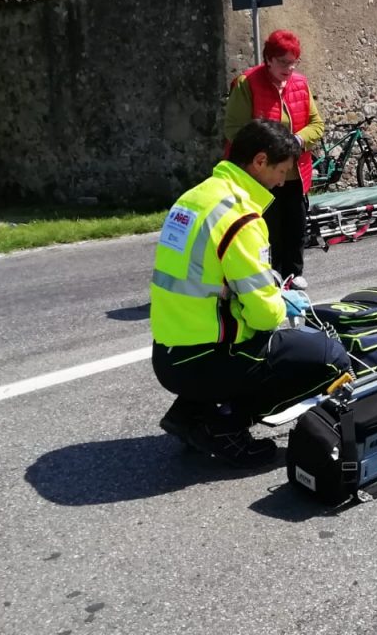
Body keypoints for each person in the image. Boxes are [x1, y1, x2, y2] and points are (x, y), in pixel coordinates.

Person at [149, 118, 350, 466]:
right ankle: (225, 427)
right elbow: (264, 315)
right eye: (282, 170)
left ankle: (190, 413)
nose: (282, 181)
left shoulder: (195, 197)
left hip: (170, 352)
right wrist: (281, 304)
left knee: (267, 343)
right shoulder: (240, 216)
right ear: (259, 161)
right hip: (205, 355)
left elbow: (208, 274)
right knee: (330, 359)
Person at [223, 30, 324, 290]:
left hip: (294, 173)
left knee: (295, 227)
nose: (289, 68)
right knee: (267, 230)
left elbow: (317, 124)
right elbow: (234, 129)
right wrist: (272, 147)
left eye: (293, 62)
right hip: (262, 176)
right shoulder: (247, 84)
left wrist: (298, 141)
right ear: (268, 59)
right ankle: (267, 278)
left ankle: (293, 274)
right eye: (283, 62)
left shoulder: (300, 84)